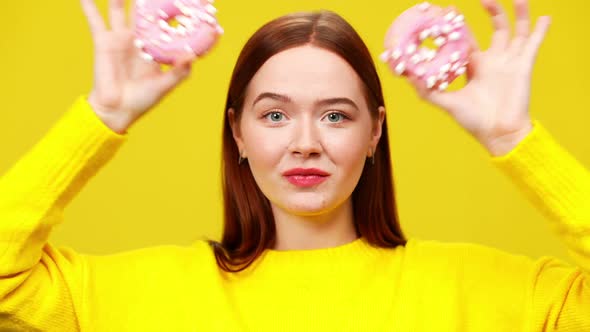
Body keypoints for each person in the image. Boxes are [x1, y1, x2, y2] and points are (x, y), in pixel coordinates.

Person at [0, 0, 588, 330]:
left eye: (335, 116)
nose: (306, 143)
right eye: (275, 116)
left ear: (375, 131)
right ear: (239, 132)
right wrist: (102, 115)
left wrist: (515, 137)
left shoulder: (487, 292)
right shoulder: (126, 293)